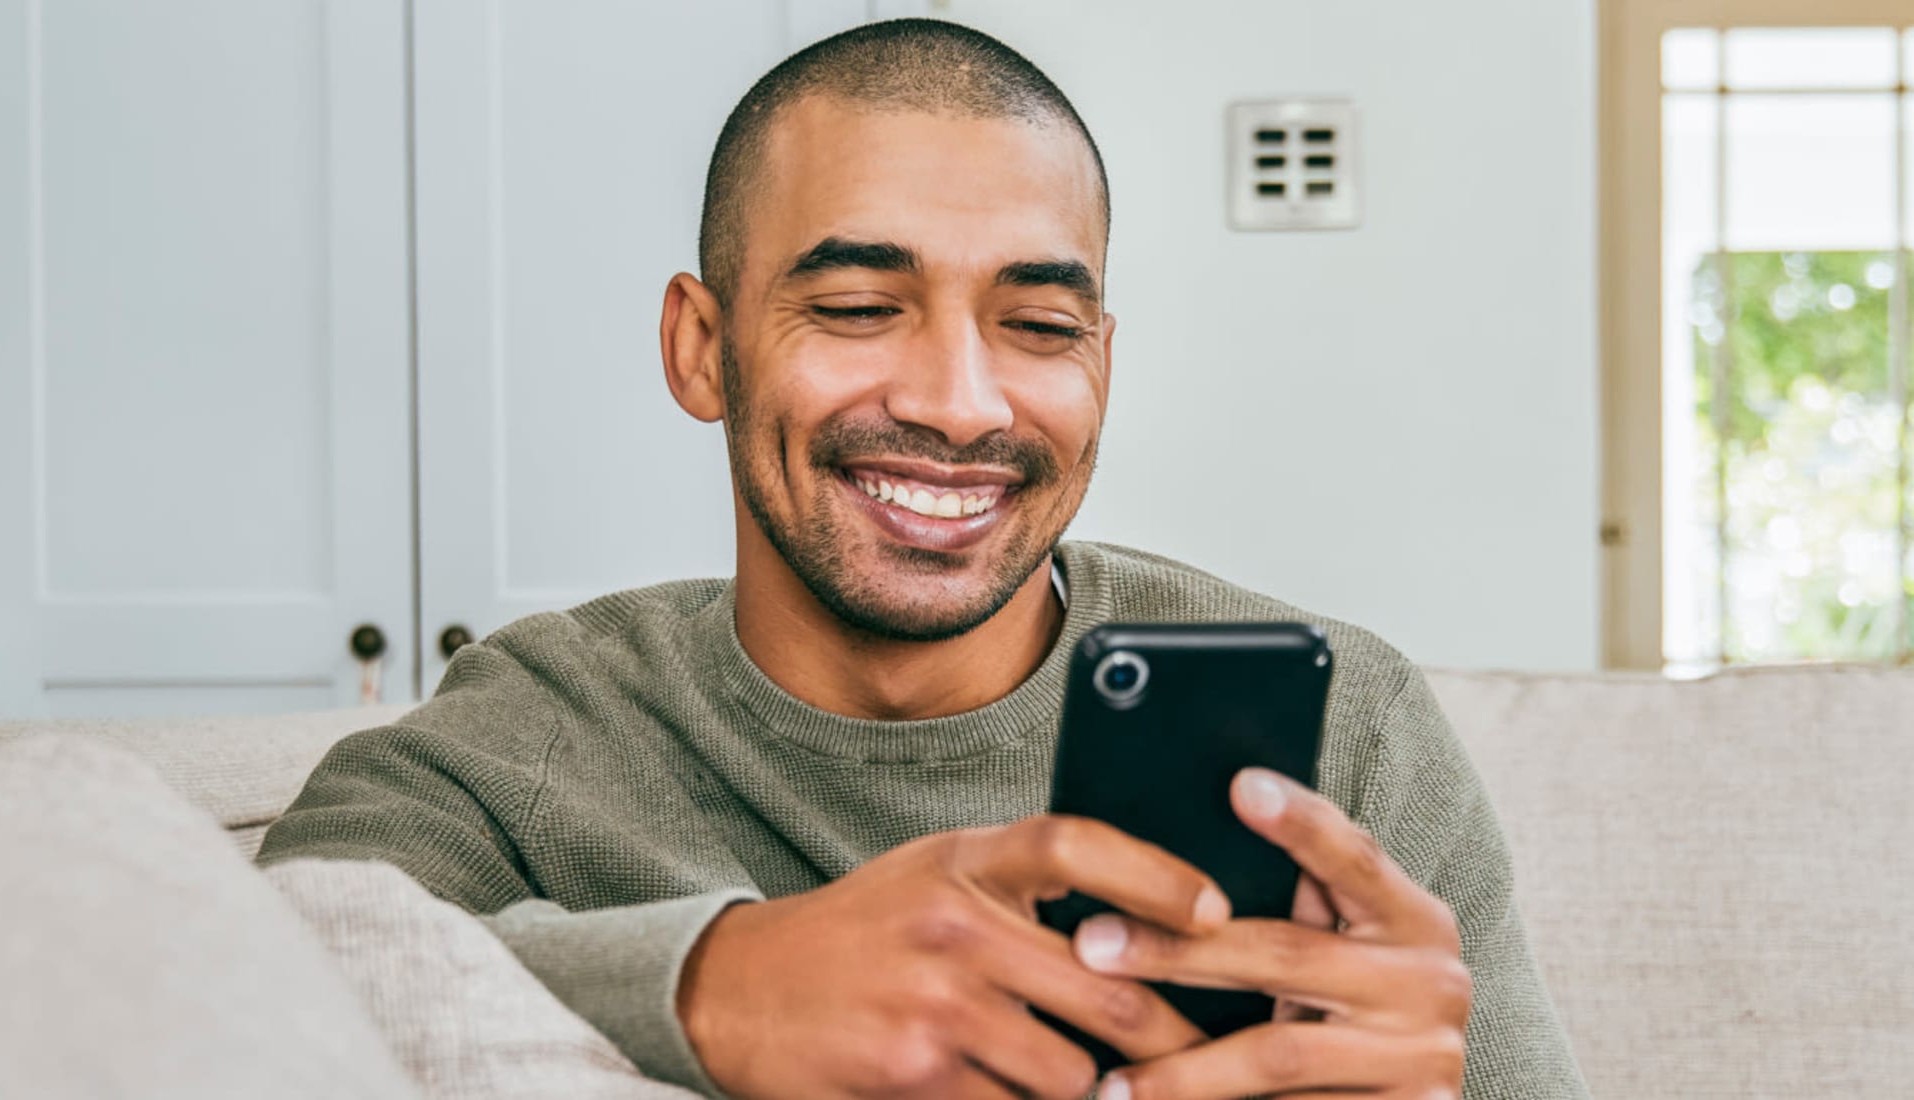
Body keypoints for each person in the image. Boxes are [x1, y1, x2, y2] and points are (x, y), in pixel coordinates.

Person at [258, 18, 1587, 1100]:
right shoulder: (543, 730)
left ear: (1101, 366)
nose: (962, 403)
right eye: (854, 307)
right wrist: (723, 983)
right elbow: (248, 974)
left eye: (1040, 323)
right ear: (701, 348)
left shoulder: (1344, 725)